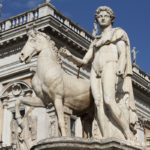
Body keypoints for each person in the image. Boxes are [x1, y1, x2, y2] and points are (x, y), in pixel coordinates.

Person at [60, 6, 137, 140]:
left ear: (111, 19)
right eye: (99, 16)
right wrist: (70, 56)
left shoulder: (117, 33)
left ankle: (127, 134)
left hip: (110, 65)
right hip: (95, 70)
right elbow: (84, 61)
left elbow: (123, 52)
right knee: (98, 104)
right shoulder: (95, 41)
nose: (102, 18)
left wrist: (121, 66)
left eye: (105, 16)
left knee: (108, 100)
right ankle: (105, 138)